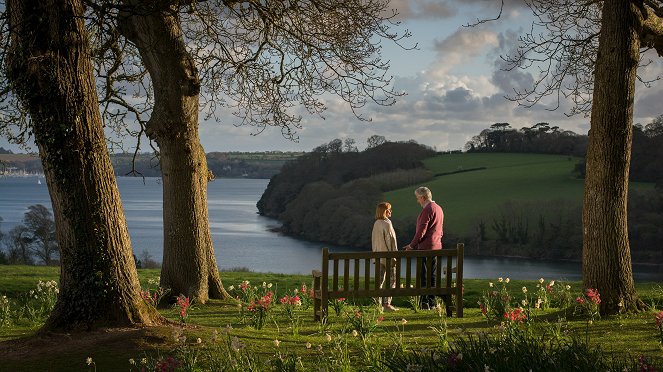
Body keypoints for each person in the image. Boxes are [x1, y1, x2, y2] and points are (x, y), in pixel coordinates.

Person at [403, 186, 444, 310]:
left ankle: (424, 302)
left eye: (418, 198)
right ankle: (432, 302)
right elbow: (440, 230)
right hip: (436, 246)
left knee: (424, 275)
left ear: (423, 197)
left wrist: (412, 245)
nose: (418, 201)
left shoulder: (427, 209)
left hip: (426, 247)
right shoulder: (439, 208)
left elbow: (421, 230)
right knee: (433, 275)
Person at [371, 202, 399, 312]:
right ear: (384, 211)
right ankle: (386, 304)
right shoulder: (387, 223)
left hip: (378, 256)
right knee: (392, 280)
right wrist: (394, 256)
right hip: (388, 256)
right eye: (389, 210)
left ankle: (377, 304)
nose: (391, 211)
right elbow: (391, 242)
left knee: (380, 280)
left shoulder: (376, 223)